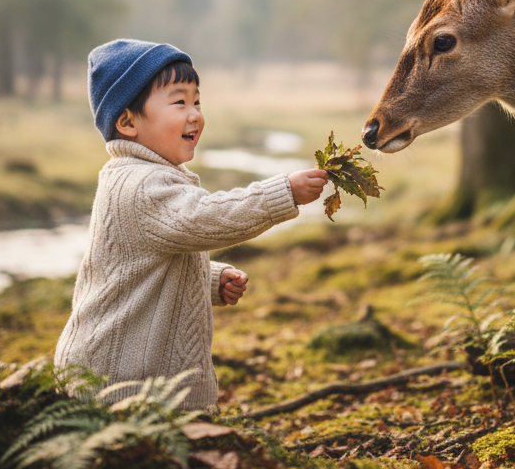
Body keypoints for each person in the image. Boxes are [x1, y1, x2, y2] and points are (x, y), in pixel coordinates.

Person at [54, 39, 328, 408]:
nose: (195, 113)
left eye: (197, 101)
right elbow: (205, 217)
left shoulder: (146, 176)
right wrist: (283, 193)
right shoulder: (139, 185)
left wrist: (209, 279)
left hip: (130, 382)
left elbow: (143, 266)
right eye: (179, 101)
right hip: (117, 382)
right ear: (127, 121)